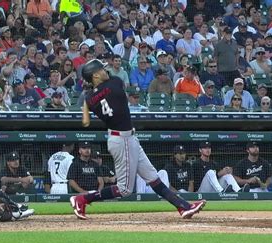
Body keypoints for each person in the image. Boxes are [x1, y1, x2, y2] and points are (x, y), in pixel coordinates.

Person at [70, 59, 206, 220]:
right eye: (102, 70)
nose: (106, 71)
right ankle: (83, 199)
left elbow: (86, 118)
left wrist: (89, 96)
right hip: (122, 140)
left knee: (153, 177)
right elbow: (110, 88)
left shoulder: (91, 98)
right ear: (95, 75)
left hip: (127, 138)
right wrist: (93, 91)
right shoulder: (114, 82)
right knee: (125, 189)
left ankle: (184, 207)